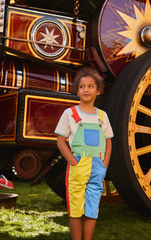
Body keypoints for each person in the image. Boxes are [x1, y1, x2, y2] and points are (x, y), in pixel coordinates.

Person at [55, 67, 113, 240]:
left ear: (98, 91)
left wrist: (105, 163)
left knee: (92, 208)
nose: (86, 89)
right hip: (78, 167)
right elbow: (60, 140)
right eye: (82, 86)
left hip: (97, 167)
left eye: (90, 86)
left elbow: (109, 141)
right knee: (75, 209)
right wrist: (73, 161)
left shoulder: (102, 116)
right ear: (77, 91)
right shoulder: (70, 114)